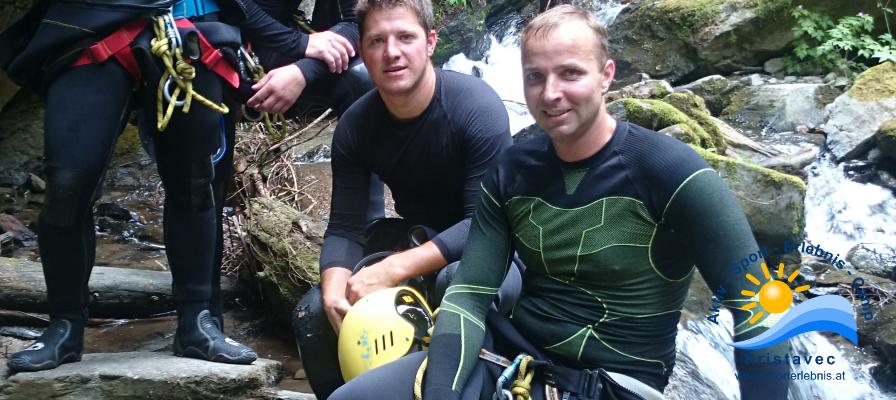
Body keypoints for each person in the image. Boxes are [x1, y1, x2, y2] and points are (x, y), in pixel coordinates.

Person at [330, 5, 791, 400]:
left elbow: (759, 310)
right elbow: (468, 299)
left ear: (607, 74)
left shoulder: (672, 172)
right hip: (509, 362)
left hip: (616, 383)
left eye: (570, 72)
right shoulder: (512, 172)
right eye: (536, 77)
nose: (551, 94)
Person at [0, 0, 264, 372]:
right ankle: (64, 327)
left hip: (189, 21)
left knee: (194, 182)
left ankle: (197, 323)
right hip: (90, 21)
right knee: (68, 183)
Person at [290, 0, 513, 397]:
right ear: (362, 49)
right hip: (418, 241)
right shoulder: (357, 125)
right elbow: (345, 226)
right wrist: (333, 289)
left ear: (429, 42)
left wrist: (393, 269)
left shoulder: (476, 108)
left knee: (454, 283)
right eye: (377, 40)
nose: (391, 52)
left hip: (498, 254)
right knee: (312, 312)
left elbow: (487, 225)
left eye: (405, 37)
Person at [207, 0, 376, 328]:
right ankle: (203, 308)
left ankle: (368, 245)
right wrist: (299, 44)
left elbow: (357, 22)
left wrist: (303, 69)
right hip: (214, 42)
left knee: (361, 77)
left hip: (279, 55)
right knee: (209, 173)